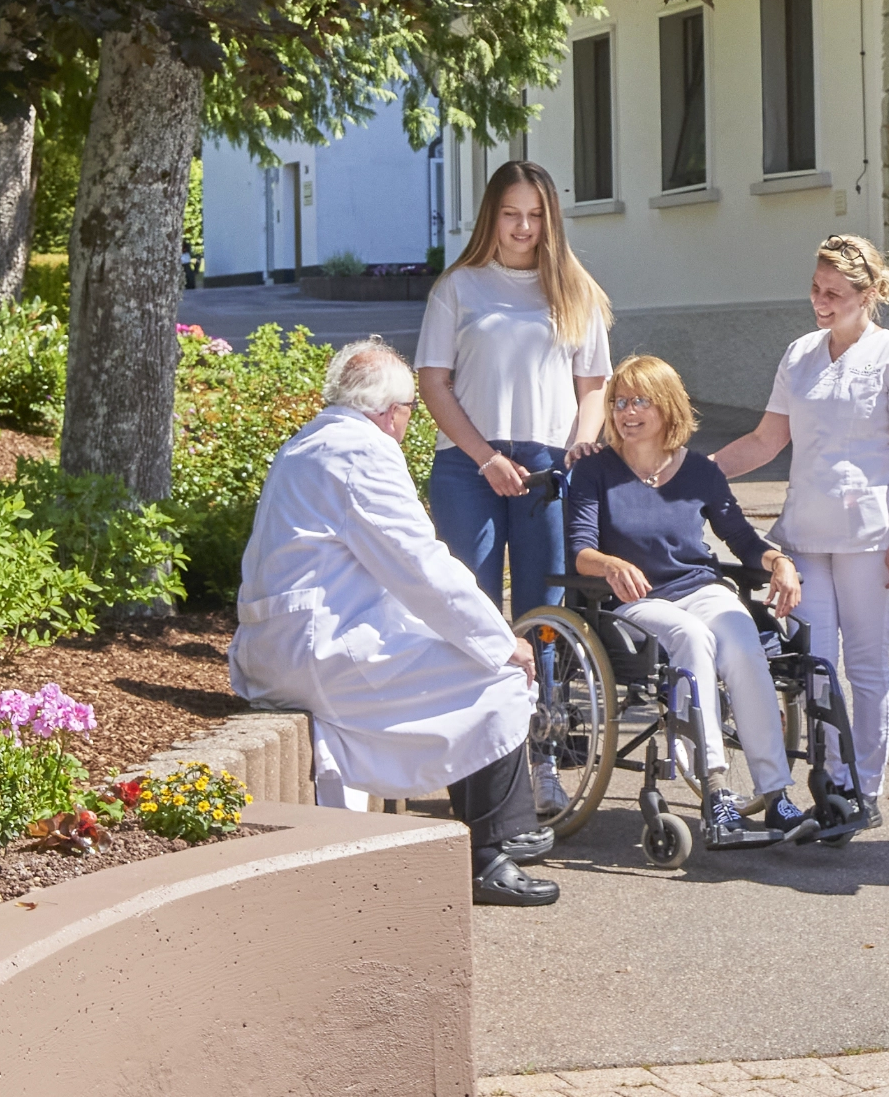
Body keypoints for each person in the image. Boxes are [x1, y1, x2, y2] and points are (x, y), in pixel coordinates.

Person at [228, 337, 560, 907]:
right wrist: (500, 639)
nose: (410, 422)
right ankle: (489, 854)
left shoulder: (306, 442)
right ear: (389, 411)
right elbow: (419, 564)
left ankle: (495, 836)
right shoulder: (364, 452)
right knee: (502, 676)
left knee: (468, 658)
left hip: (281, 644)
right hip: (318, 654)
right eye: (411, 409)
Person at [712, 235, 889, 831]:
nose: (820, 301)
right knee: (815, 666)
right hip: (806, 535)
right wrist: (696, 471)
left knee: (866, 666)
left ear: (869, 293)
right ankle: (832, 780)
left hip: (871, 538)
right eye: (815, 289)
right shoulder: (800, 355)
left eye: (834, 292)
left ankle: (865, 787)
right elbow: (766, 440)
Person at [417, 159, 613, 820]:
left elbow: (593, 388)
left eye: (535, 215)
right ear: (491, 217)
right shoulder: (459, 286)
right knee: (471, 609)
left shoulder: (575, 291)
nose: (524, 227)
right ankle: (474, 768)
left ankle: (544, 759)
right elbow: (433, 382)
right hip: (468, 465)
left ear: (550, 219)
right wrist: (484, 458)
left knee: (544, 614)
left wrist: (578, 446)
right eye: (511, 214)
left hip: (546, 467)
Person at [564, 355, 820, 846]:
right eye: (619, 402)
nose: (626, 412)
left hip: (699, 588)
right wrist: (610, 564)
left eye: (640, 401)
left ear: (667, 407)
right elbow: (580, 550)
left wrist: (779, 562)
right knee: (691, 636)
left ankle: (776, 795)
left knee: (742, 638)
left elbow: (742, 539)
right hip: (637, 599)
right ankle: (716, 789)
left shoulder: (700, 470)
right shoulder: (594, 470)